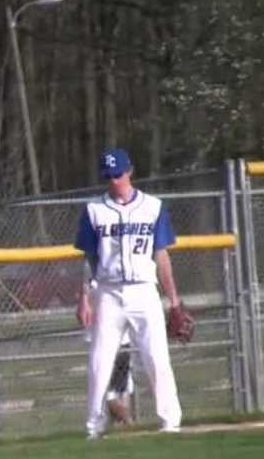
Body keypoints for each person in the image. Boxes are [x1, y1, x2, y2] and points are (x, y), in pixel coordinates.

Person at [75, 147, 183, 439]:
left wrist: (174, 301)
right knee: (99, 361)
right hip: (108, 292)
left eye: (118, 174)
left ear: (130, 171)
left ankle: (170, 420)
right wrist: (84, 297)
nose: (114, 181)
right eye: (108, 176)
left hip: (144, 290)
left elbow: (161, 255)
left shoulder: (153, 207)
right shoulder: (93, 210)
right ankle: (94, 426)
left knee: (157, 358)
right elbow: (89, 257)